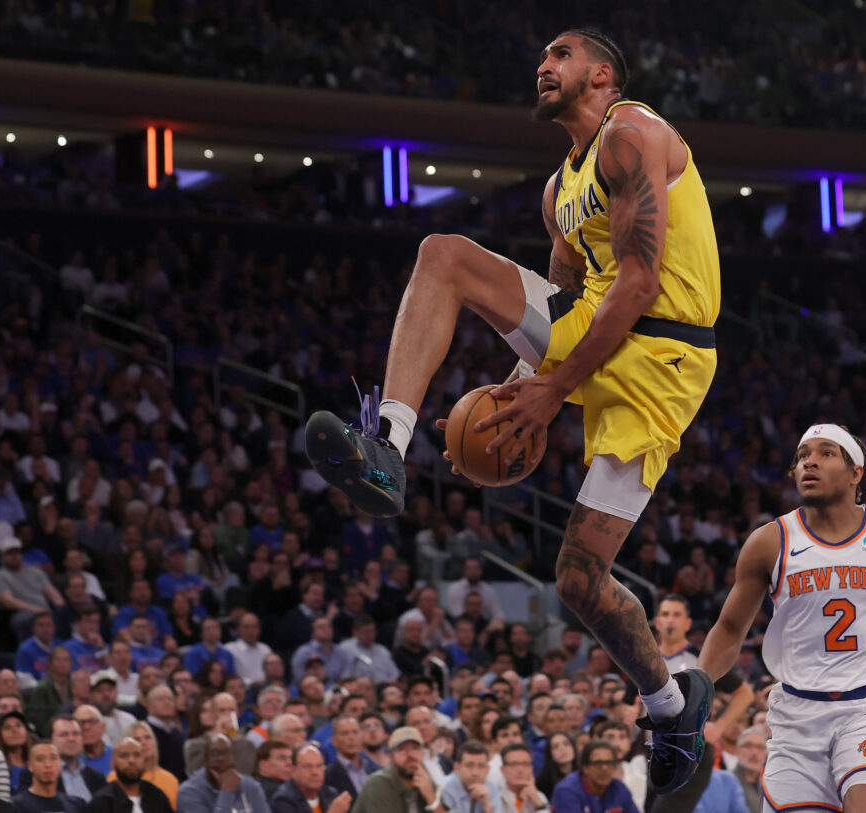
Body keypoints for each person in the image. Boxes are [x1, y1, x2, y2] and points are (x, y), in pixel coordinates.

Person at [303, 27, 720, 794]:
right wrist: (510, 395)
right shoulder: (559, 190)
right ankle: (386, 447)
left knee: (578, 578)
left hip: (665, 353)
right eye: (542, 57)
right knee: (444, 254)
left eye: (560, 56)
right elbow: (556, 314)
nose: (544, 65)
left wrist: (555, 390)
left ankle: (672, 706)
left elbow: (637, 281)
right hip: (593, 326)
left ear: (601, 73)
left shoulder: (632, 134)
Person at [697, 425, 866, 813]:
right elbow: (730, 630)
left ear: (856, 473)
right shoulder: (770, 541)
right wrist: (695, 696)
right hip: (797, 717)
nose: (809, 462)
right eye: (802, 455)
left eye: (826, 453)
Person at [350, 727, 438, 812]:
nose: (410, 754)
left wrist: (430, 796)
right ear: (391, 757)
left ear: (423, 753)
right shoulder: (378, 783)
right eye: (402, 749)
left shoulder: (426, 778)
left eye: (415, 748)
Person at [175, 733, 269, 813]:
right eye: (214, 753)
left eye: (225, 752)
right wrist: (227, 792)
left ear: (234, 757)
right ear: (205, 759)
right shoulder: (189, 792)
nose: (221, 758)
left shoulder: (251, 786)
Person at [86, 736, 172, 813]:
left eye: (137, 755)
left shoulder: (157, 796)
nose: (131, 760)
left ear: (144, 761)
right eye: (124, 755)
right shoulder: (101, 802)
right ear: (112, 763)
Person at [551, 739, 637, 813]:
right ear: (585, 768)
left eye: (609, 763)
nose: (604, 768)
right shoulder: (567, 791)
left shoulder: (618, 788)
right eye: (598, 763)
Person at [106, 722, 178, 808]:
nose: (143, 742)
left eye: (147, 737)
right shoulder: (116, 777)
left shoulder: (170, 779)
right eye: (137, 739)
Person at [270, 742, 351, 813]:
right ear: (293, 770)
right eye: (307, 766)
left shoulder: (330, 794)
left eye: (319, 766)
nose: (314, 772)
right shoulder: (283, 801)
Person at [12, 740, 82, 813]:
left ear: (61, 763)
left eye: (53, 758)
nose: (47, 765)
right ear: (30, 766)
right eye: (40, 759)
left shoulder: (76, 805)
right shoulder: (15, 806)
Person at [439, 739, 500, 813]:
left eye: (481, 766)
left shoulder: (492, 790)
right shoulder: (444, 789)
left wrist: (487, 806)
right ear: (457, 767)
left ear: (487, 770)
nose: (475, 773)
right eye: (469, 765)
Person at [323, 716, 374, 801]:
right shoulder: (327, 777)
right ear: (334, 741)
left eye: (355, 732)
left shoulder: (375, 772)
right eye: (345, 733)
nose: (351, 738)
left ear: (362, 736)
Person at [655, 594, 697, 673]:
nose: (670, 620)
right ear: (657, 623)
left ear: (688, 624)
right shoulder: (645, 662)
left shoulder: (702, 659)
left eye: (677, 615)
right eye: (665, 614)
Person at [732, 727, 767, 813]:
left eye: (760, 747)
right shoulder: (727, 783)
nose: (754, 752)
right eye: (748, 745)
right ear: (737, 750)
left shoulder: (768, 786)